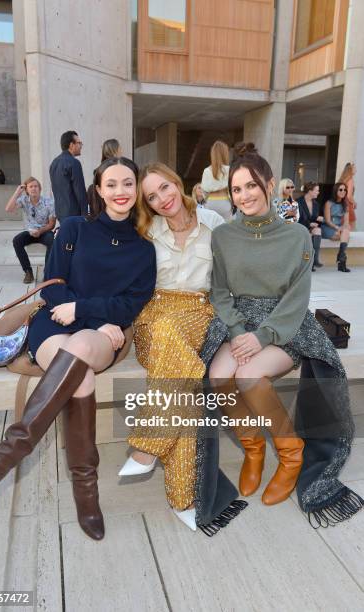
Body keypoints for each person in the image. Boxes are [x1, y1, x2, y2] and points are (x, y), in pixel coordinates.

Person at [0, 157, 157, 542]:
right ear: (98, 190)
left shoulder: (143, 249)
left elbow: (131, 304)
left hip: (105, 331)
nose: (120, 191)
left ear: (137, 190)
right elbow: (53, 283)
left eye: (127, 183)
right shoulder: (76, 228)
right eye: (111, 184)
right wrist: (73, 308)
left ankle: (4, 459)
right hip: (54, 321)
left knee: (81, 348)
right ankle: (87, 492)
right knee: (79, 380)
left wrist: (86, 310)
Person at [200, 142, 363, 526]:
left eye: (251, 186)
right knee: (218, 375)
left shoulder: (297, 237)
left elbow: (297, 297)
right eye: (236, 190)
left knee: (249, 375)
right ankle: (254, 450)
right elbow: (219, 292)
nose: (244, 196)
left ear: (270, 185)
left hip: (285, 325)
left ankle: (291, 454)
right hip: (238, 323)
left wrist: (262, 336)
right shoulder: (223, 236)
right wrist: (240, 332)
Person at [118, 162, 232, 532]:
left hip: (199, 312)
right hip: (154, 315)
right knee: (182, 370)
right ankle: (183, 496)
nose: (161, 200)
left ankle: (151, 449)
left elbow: (231, 278)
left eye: (164, 188)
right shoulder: (147, 230)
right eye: (151, 196)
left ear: (177, 182)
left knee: (182, 377)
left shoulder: (214, 223)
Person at [6, 177, 56, 283]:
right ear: (27, 190)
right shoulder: (24, 200)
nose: (34, 189)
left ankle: (48, 273)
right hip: (30, 232)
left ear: (40, 189)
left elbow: (52, 224)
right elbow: (9, 209)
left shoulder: (49, 202)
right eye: (31, 186)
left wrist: (40, 231)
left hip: (44, 231)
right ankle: (28, 272)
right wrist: (17, 193)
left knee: (52, 240)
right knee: (17, 240)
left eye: (36, 186)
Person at [49, 131, 88, 222]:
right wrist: (85, 215)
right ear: (71, 145)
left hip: (60, 213)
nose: (81, 146)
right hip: (74, 214)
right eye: (79, 143)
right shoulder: (74, 163)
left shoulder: (54, 163)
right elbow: (80, 191)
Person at [321, 182, 351, 272]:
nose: (343, 191)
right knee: (343, 234)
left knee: (346, 231)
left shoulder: (345, 204)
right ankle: (341, 262)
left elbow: (346, 221)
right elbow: (328, 220)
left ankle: (341, 257)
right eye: (340, 189)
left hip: (338, 227)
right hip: (328, 227)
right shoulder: (328, 203)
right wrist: (338, 229)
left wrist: (343, 228)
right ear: (335, 191)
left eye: (345, 190)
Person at [201, 140, 231, 221]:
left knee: (211, 229)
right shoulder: (229, 170)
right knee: (226, 229)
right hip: (224, 201)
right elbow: (232, 189)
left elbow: (203, 190)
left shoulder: (206, 170)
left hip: (211, 202)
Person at [297, 182, 323, 271]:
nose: (318, 192)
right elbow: (298, 218)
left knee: (318, 230)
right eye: (317, 190)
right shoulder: (298, 202)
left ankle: (314, 259)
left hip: (310, 227)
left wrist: (317, 219)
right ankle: (309, 262)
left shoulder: (316, 204)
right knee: (310, 234)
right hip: (300, 226)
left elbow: (313, 217)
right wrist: (309, 224)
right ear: (310, 191)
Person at [338, 163, 357, 230]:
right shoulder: (350, 180)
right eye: (354, 168)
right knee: (351, 228)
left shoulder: (342, 179)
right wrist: (354, 202)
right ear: (350, 170)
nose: (356, 170)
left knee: (343, 227)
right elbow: (349, 196)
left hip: (341, 204)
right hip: (348, 205)